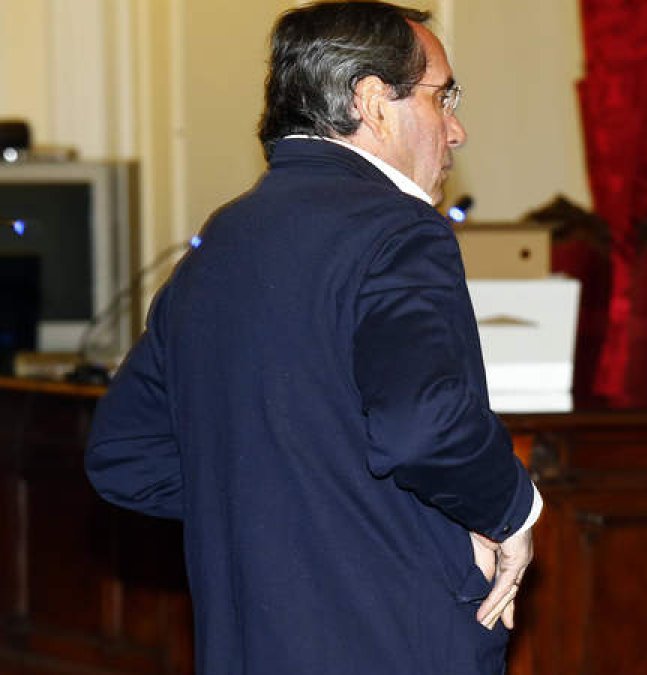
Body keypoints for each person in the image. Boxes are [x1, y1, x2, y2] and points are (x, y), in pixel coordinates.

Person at [85, 3, 537, 673]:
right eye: (443, 97)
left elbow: (124, 454)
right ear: (373, 102)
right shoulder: (400, 231)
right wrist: (514, 506)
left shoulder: (220, 241)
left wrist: (285, 503)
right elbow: (424, 426)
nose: (457, 129)